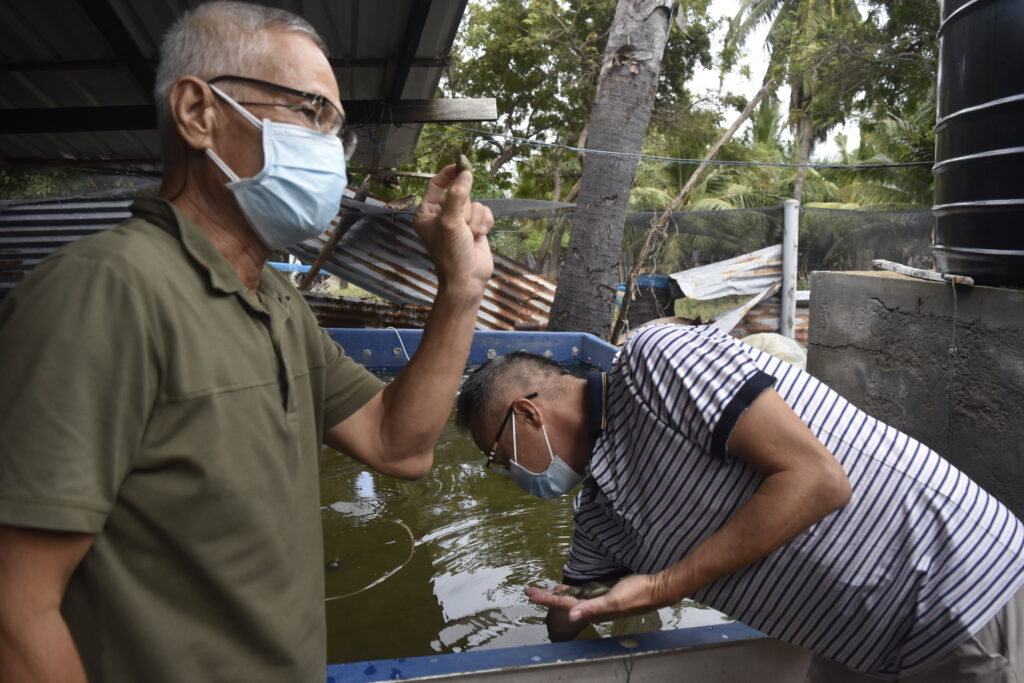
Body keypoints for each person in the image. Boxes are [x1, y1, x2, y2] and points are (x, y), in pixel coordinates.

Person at [0, 2, 494, 681]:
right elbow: (16, 606)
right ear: (199, 113)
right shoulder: (105, 291)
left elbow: (397, 442)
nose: (332, 153)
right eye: (312, 113)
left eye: (337, 130)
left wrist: (460, 288)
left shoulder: (276, 302)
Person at [456, 323, 1024, 682]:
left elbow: (817, 480)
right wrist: (569, 604)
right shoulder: (599, 516)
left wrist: (660, 586)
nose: (507, 473)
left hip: (953, 593)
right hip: (859, 647)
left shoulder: (657, 361)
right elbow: (571, 617)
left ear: (528, 414)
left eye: (498, 454)